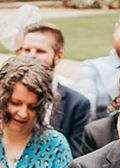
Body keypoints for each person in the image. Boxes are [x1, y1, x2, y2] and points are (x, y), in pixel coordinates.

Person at [18, 22, 91, 158]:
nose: (31, 56)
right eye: (26, 50)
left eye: (40, 51)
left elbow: (76, 160)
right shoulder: (6, 96)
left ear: (58, 57)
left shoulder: (76, 104)